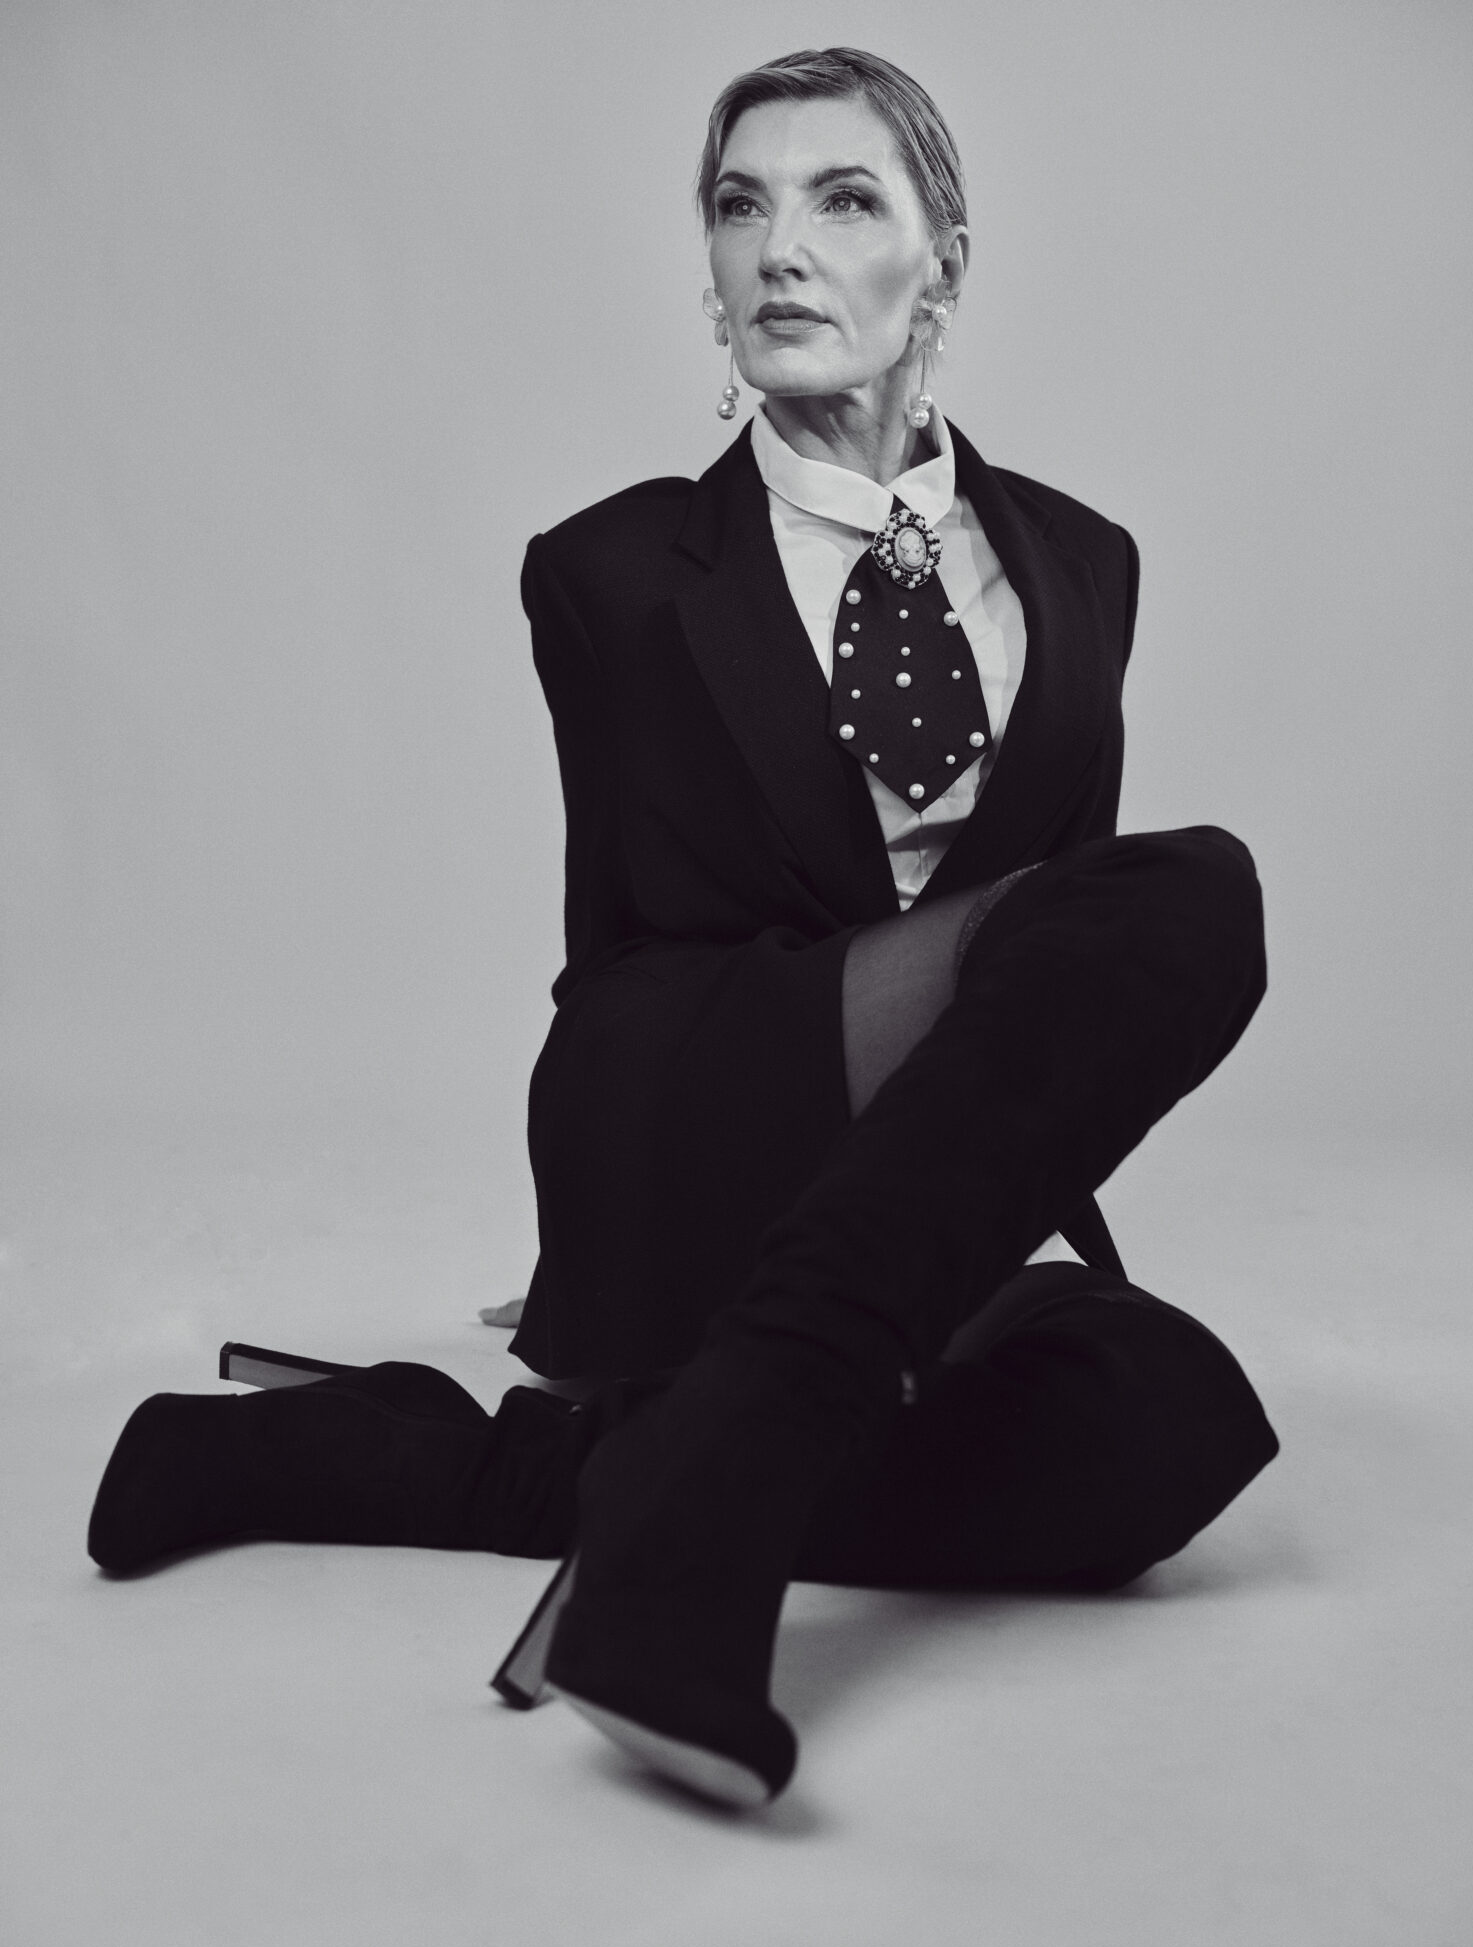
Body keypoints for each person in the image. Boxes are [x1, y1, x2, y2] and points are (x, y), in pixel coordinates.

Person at [87, 48, 1278, 1813]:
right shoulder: (614, 572)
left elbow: (1059, 961)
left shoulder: (1085, 563)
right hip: (708, 1079)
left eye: (843, 200)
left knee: (1166, 1421)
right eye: (740, 205)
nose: (778, 247)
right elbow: (616, 937)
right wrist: (602, 1237)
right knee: (1202, 893)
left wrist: (985, 1209)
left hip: (911, 1166)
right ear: (711, 267)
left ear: (943, 261)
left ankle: (483, 1470)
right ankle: (702, 1524)